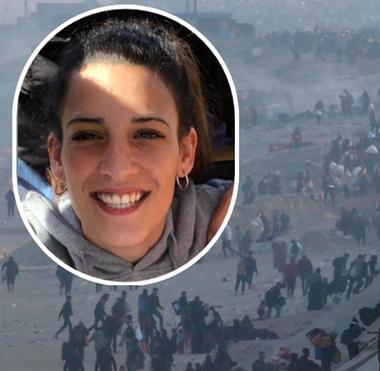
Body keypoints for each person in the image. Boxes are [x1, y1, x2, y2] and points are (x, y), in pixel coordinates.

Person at [21, 15, 233, 281]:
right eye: (88, 136)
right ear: (56, 157)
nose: (118, 169)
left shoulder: (236, 215)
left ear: (186, 153)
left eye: (147, 134)